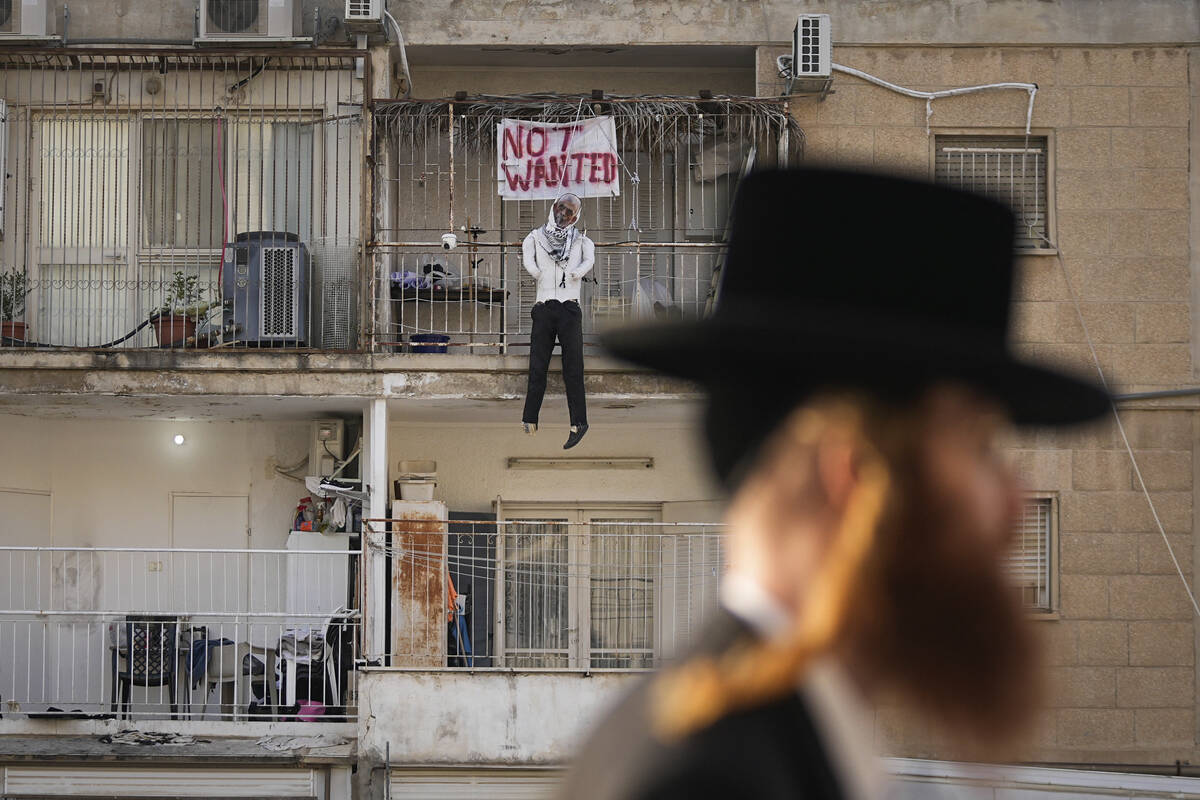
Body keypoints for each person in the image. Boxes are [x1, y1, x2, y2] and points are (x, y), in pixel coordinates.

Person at [559, 168, 1110, 800]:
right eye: (979, 447)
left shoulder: (761, 737)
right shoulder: (714, 779)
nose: (1014, 504)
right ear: (855, 475)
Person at [521, 192, 596, 449]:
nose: (563, 215)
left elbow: (590, 260)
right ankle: (530, 417)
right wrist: (535, 271)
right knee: (537, 364)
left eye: (569, 213)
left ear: (575, 217)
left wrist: (577, 272)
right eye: (561, 209)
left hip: (569, 307)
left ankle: (579, 422)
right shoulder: (535, 237)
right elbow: (527, 259)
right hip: (544, 305)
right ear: (554, 206)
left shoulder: (581, 241)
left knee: (573, 367)